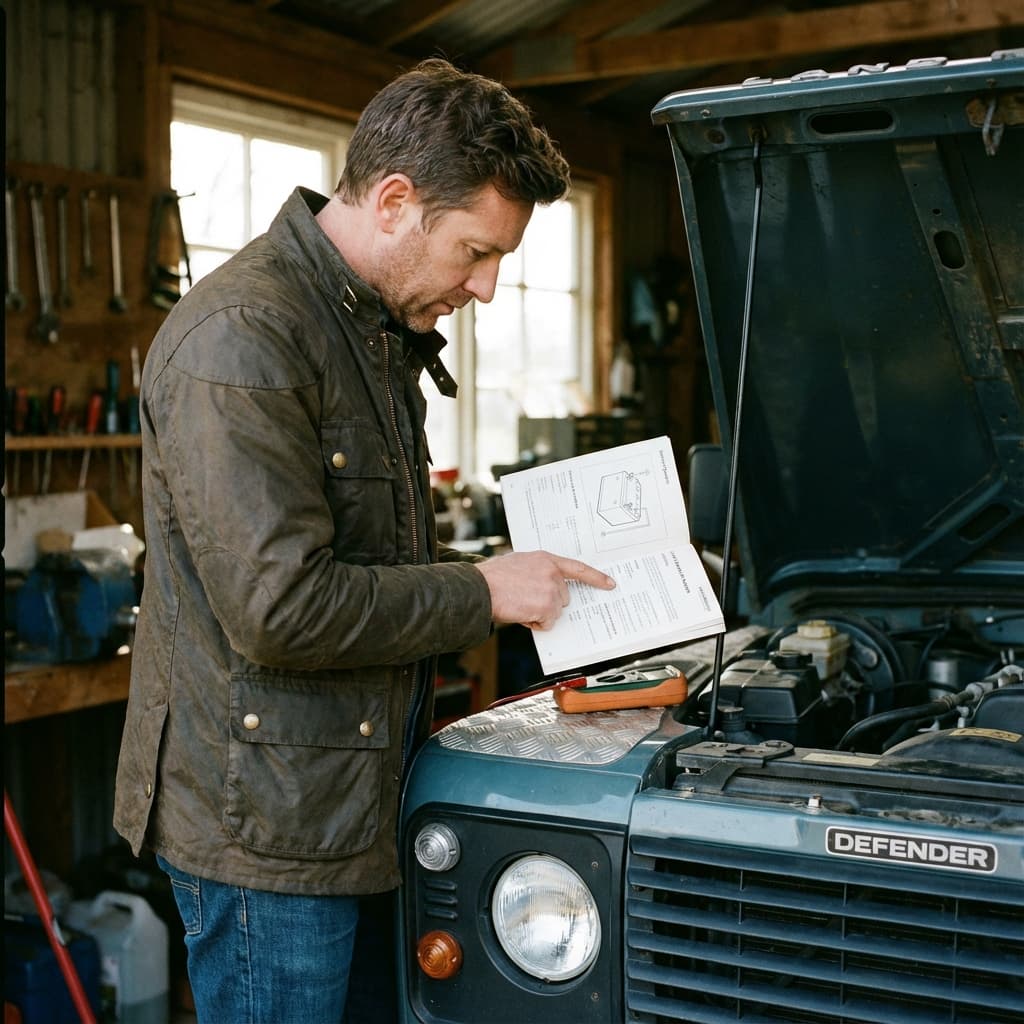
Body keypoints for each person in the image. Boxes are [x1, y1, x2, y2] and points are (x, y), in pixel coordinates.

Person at [113, 58, 616, 1024]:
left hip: (356, 805)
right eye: (475, 252)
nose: (487, 288)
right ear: (394, 201)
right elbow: (281, 609)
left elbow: (372, 559)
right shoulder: (244, 339)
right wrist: (485, 592)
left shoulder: (369, 326)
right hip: (270, 832)